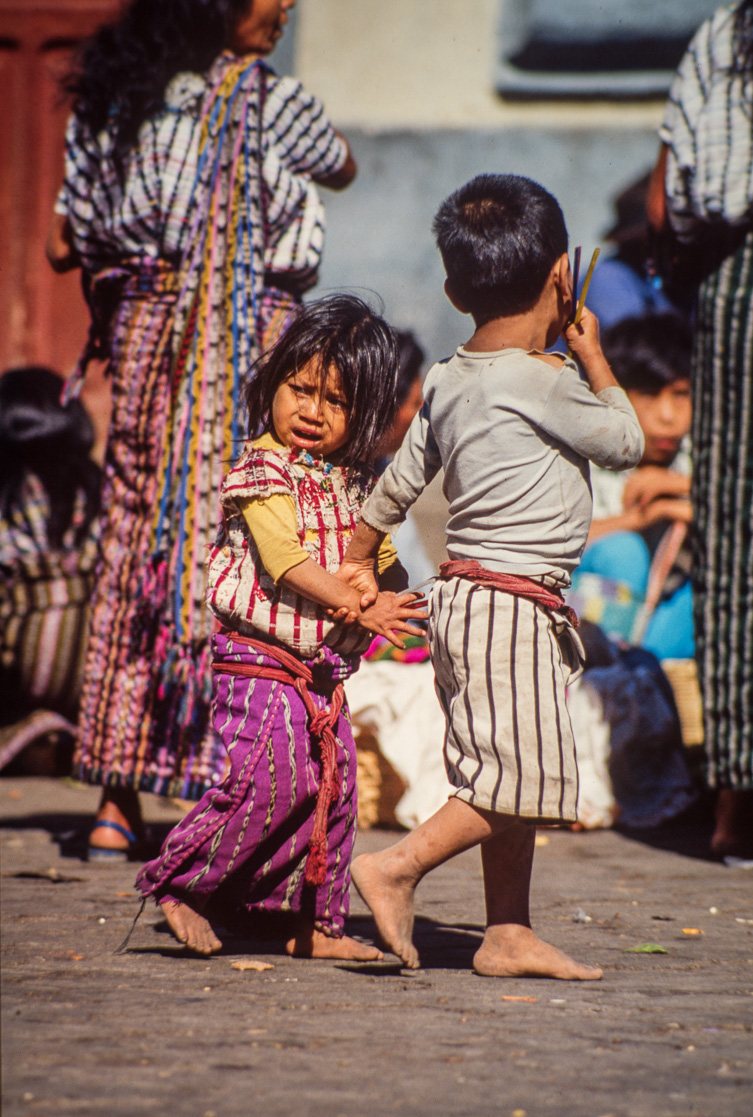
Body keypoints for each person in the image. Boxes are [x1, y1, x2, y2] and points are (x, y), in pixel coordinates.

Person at [45, 0, 357, 859]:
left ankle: (116, 797)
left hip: (148, 331)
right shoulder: (272, 98)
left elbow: (59, 245)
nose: (285, 6)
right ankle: (233, 786)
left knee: (139, 536)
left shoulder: (114, 101)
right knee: (254, 534)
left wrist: (154, 246)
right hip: (253, 335)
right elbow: (343, 167)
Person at [338, 174, 644, 977]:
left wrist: (354, 556)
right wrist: (592, 353)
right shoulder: (546, 380)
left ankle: (506, 930)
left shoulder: (446, 378)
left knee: (504, 767)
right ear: (559, 276)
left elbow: (398, 481)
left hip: (470, 600)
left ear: (451, 286)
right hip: (511, 609)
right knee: (521, 778)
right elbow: (624, 441)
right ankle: (395, 866)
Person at [134, 296, 426, 958]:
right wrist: (361, 607)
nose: (311, 410)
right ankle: (182, 882)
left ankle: (314, 924)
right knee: (267, 777)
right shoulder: (262, 469)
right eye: (299, 388)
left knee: (335, 786)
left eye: (335, 400)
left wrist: (406, 601)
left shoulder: (357, 482)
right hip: (257, 654)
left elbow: (382, 564)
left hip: (321, 666)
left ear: (367, 415)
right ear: (274, 384)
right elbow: (285, 560)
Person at [648, 0, 753, 859]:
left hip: (735, 284)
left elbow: (666, 199)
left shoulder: (722, 34)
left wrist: (682, 261)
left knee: (731, 529)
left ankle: (733, 801)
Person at [573, 313, 694, 660]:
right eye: (650, 395)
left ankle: (640, 672)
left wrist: (682, 490)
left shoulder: (694, 461)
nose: (668, 415)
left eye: (681, 395)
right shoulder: (588, 458)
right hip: (588, 618)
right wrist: (641, 518)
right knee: (622, 551)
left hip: (668, 624)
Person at [0, 367, 100, 773]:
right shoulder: (97, 485)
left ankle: (28, 730)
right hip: (88, 670)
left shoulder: (9, 489)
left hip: (17, 668)